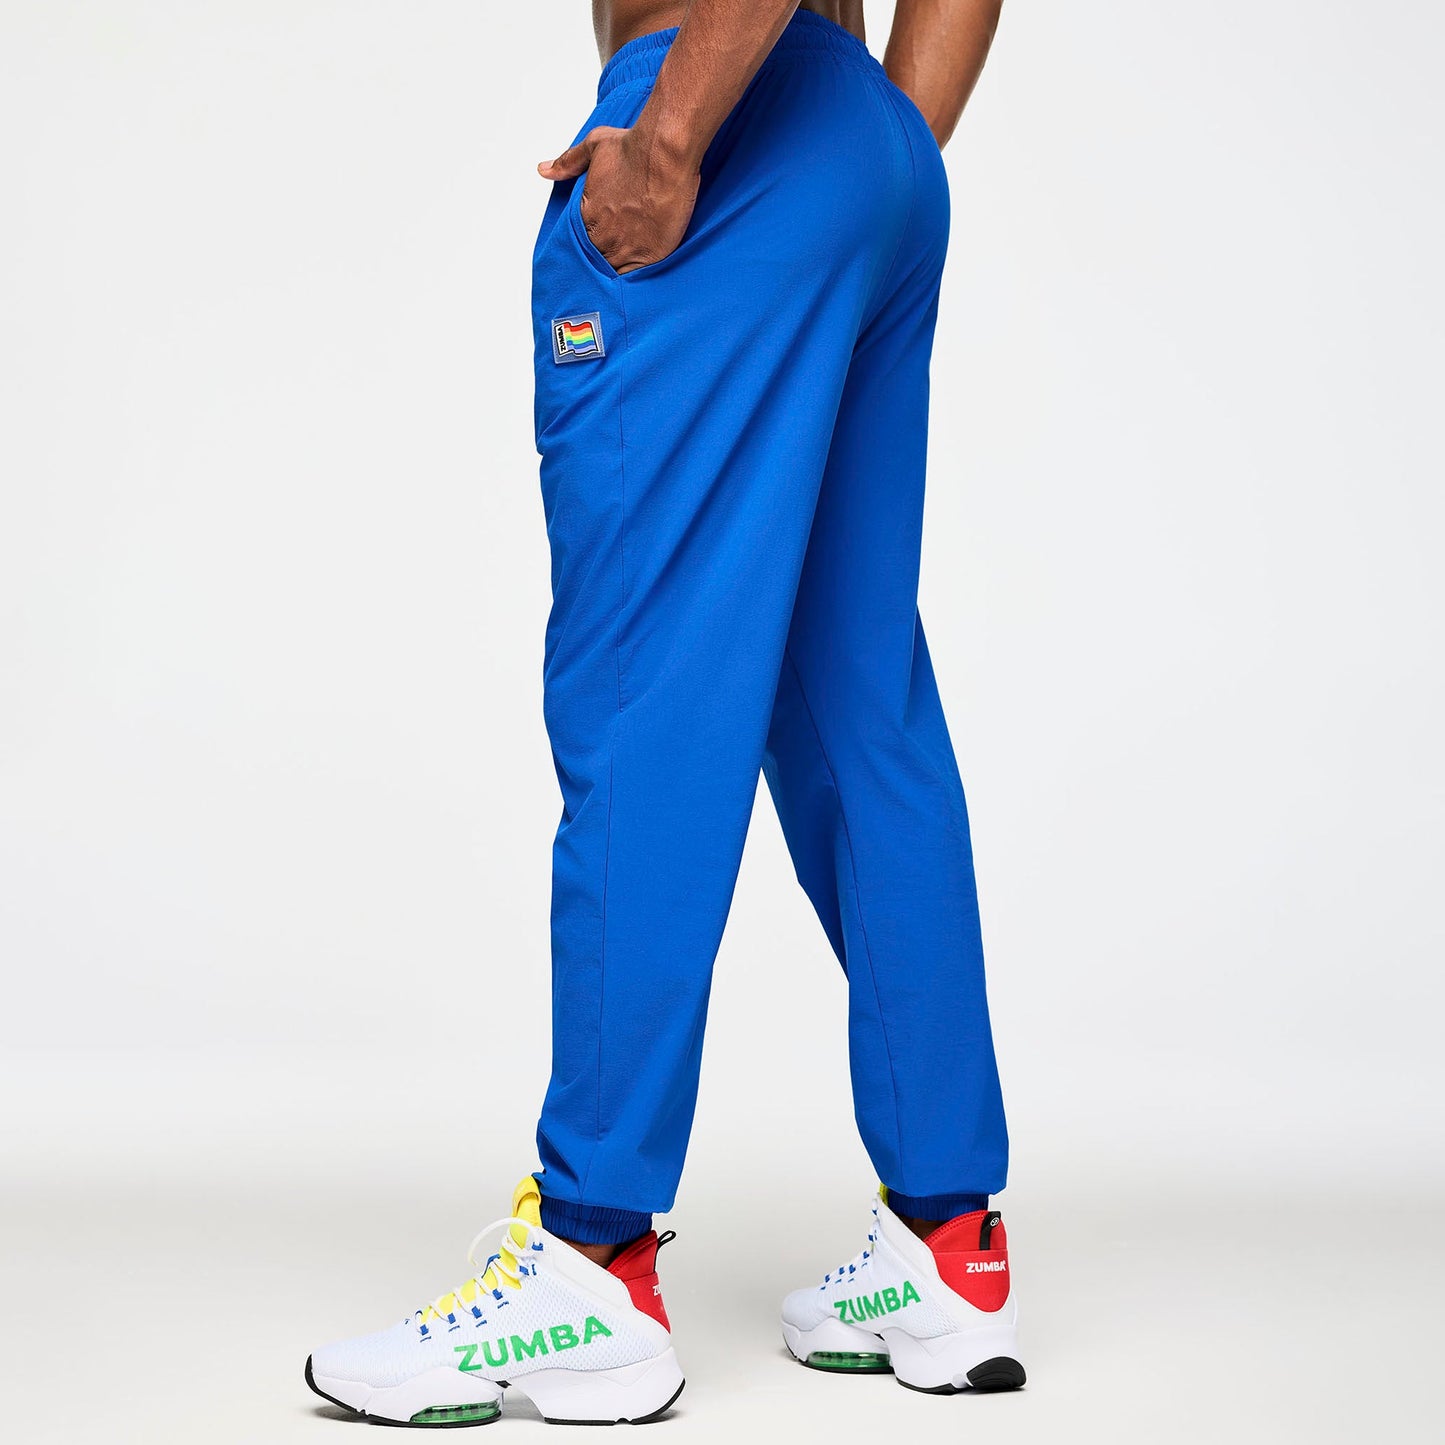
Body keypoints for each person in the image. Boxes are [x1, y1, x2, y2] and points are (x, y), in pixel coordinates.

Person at [305, 0, 1020, 1425]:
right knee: (855, 711)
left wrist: (675, 133)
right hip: (856, 150)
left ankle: (591, 1262)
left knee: (645, 698)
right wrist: (872, 146)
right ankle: (948, 1244)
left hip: (723, 123)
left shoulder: (689, 134)